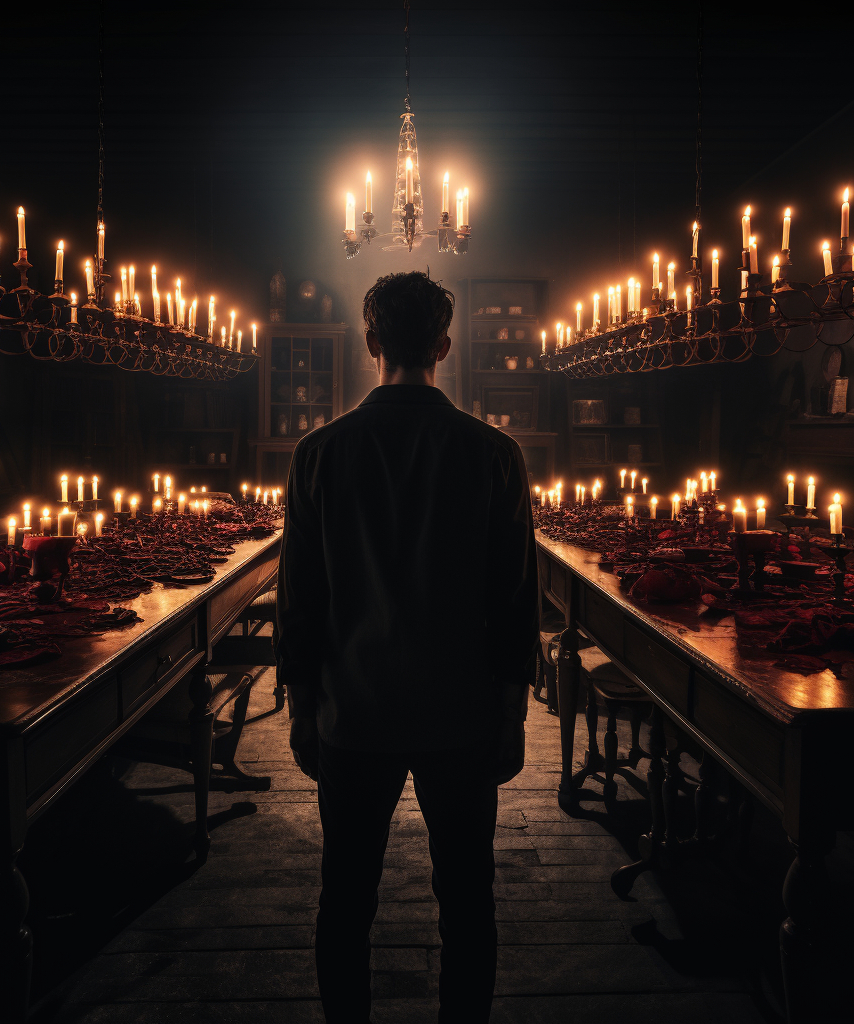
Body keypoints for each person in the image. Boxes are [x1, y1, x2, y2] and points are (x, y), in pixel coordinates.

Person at [273, 271, 539, 1024]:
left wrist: (299, 706)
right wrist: (514, 714)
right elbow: (516, 599)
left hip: (353, 711)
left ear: (370, 344)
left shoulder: (318, 453)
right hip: (461, 714)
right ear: (444, 346)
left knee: (345, 897)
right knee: (467, 900)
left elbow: (302, 598)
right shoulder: (494, 453)